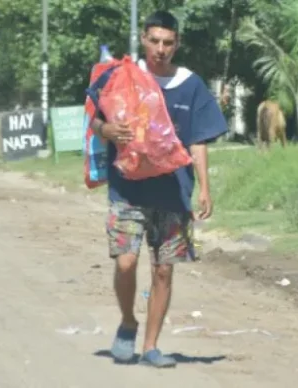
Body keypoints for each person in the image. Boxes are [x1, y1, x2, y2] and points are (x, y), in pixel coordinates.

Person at [88, 10, 228, 368]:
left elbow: (198, 141)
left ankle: (150, 346)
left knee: (164, 269)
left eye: (168, 42)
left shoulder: (190, 85)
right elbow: (95, 118)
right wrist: (108, 133)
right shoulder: (122, 76)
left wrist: (205, 190)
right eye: (155, 41)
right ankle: (127, 322)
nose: (161, 49)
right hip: (128, 190)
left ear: (177, 43)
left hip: (174, 192)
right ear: (143, 40)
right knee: (126, 262)